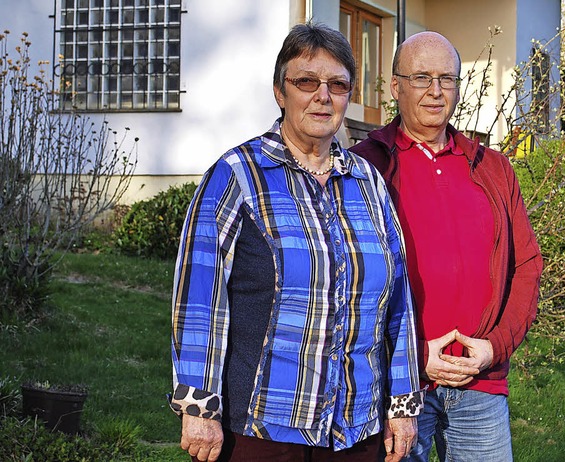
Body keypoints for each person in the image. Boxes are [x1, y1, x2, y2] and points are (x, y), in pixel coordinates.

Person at [169, 22, 423, 462]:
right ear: (280, 91)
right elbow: (200, 298)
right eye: (306, 81)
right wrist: (198, 406)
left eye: (338, 84)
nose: (322, 96)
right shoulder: (237, 175)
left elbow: (396, 301)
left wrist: (401, 404)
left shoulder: (369, 184)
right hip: (262, 429)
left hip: (356, 429)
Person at [350, 31, 543, 461]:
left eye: (447, 78)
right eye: (422, 78)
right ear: (396, 86)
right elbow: (344, 281)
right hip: (399, 384)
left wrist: (495, 346)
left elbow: (527, 263)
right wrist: (414, 356)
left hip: (481, 380)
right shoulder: (366, 166)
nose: (436, 91)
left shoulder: (492, 167)